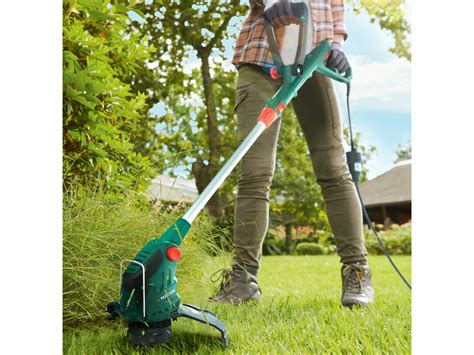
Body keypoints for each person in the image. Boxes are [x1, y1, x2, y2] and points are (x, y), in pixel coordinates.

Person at [210, 0, 374, 308]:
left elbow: (335, 5)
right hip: (262, 55)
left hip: (315, 56)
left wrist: (336, 43)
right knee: (255, 172)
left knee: (333, 166)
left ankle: (357, 271)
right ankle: (243, 278)